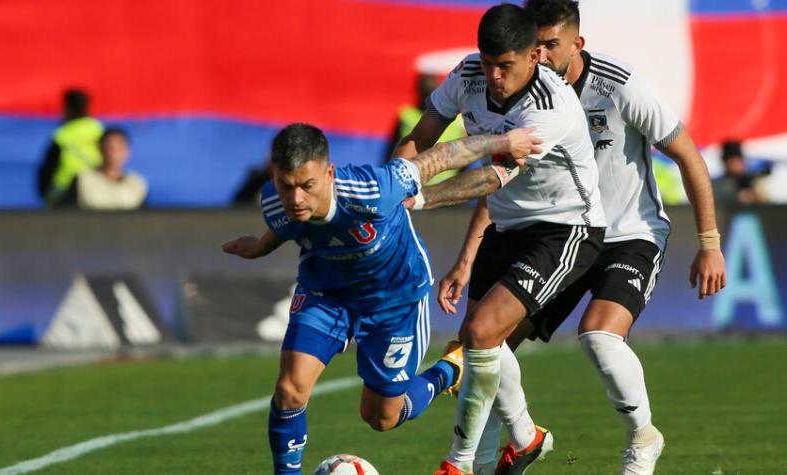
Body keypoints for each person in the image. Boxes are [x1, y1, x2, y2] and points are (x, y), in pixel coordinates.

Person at [466, 2, 728, 474]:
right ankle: (497, 455)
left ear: (576, 44)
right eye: (534, 46)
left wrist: (708, 242)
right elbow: (506, 183)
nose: (540, 56)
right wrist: (467, 256)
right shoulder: (521, 102)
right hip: (559, 234)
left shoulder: (620, 87)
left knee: (599, 335)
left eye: (551, 45)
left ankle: (642, 440)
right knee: (488, 343)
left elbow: (689, 155)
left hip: (628, 234)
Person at [222, 122, 541, 475]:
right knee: (289, 390)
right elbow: (282, 228)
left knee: (381, 417)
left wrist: (504, 141)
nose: (297, 198)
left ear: (329, 174)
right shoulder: (274, 199)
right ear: (275, 176)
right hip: (326, 293)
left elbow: (441, 157)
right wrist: (257, 248)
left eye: (307, 186)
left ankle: (449, 369)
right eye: (287, 185)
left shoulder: (372, 188)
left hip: (395, 301)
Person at [394, 5, 608, 474]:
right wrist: (392, 181)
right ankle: (525, 440)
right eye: (487, 62)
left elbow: (491, 176)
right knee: (482, 347)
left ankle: (460, 463)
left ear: (534, 56)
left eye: (505, 65)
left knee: (479, 333)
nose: (492, 75)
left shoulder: (549, 107)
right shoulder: (468, 75)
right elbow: (424, 135)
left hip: (567, 229)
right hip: (507, 226)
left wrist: (420, 199)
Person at [385, 73, 467, 185]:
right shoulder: (458, 120)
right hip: (445, 186)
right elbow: (467, 154)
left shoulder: (406, 115)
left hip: (414, 184)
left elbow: (392, 150)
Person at [37, 89, 104, 206]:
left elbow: (48, 167)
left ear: (67, 107)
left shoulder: (62, 134)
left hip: (64, 189)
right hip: (95, 189)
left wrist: (44, 192)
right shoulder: (98, 129)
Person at [59, 127, 147, 210]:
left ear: (127, 151)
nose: (113, 153)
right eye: (109, 148)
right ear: (100, 149)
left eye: (119, 148)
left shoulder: (137, 184)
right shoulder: (83, 180)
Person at [712, 139, 770, 204]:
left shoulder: (752, 180)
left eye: (738, 161)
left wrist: (755, 196)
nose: (735, 165)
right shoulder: (718, 183)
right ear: (725, 163)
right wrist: (737, 197)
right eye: (732, 162)